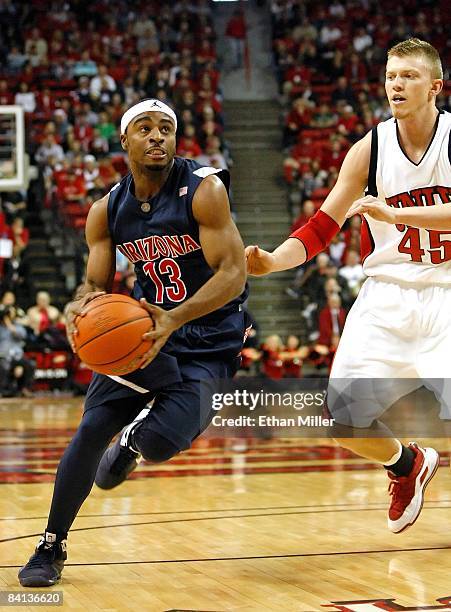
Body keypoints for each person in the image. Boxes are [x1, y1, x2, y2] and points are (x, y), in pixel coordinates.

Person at [18, 98, 247, 587]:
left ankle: (134, 444)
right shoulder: (106, 210)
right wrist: (81, 306)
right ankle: (51, 544)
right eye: (144, 128)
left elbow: (234, 273)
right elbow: (95, 285)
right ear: (125, 141)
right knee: (89, 430)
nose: (157, 136)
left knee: (163, 443)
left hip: (209, 337)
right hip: (144, 333)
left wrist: (178, 317)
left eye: (166, 128)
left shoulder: (203, 191)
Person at [246, 39, 450, 534]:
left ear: (436, 87)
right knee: (344, 421)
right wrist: (275, 261)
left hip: (448, 292)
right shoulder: (370, 148)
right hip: (385, 296)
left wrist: (397, 213)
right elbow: (321, 226)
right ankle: (406, 465)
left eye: (408, 76)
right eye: (390, 76)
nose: (396, 84)